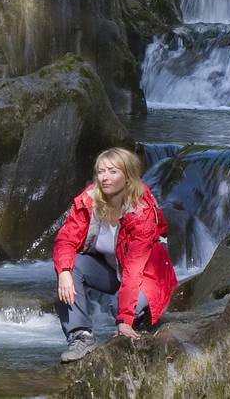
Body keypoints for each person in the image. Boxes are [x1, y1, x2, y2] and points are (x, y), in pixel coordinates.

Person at [53, 147, 178, 363]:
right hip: (113, 271)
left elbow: (134, 268)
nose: (105, 177)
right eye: (101, 171)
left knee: (116, 305)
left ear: (128, 176)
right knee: (71, 267)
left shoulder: (141, 211)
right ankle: (81, 336)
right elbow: (65, 239)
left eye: (112, 171)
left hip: (148, 276)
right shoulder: (89, 200)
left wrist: (124, 320)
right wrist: (63, 272)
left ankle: (140, 321)